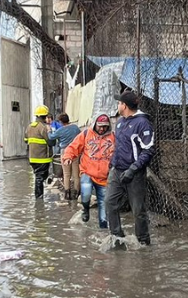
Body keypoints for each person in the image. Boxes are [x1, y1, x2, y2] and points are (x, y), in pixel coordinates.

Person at [106, 91, 155, 246]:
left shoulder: (142, 123)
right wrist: (112, 164)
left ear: (124, 105)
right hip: (117, 170)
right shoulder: (120, 122)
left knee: (138, 210)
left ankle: (143, 242)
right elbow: (119, 146)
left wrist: (133, 169)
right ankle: (117, 237)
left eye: (119, 103)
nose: (118, 105)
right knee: (109, 202)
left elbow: (148, 150)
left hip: (134, 173)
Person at [63, 114, 116, 227]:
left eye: (105, 126)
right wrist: (68, 157)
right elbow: (73, 147)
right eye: (100, 126)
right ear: (95, 124)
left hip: (104, 177)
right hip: (88, 172)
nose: (102, 129)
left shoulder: (113, 137)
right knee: (86, 192)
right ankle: (85, 209)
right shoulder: (86, 134)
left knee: (103, 212)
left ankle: (102, 234)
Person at [50, 113, 84, 201]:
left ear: (61, 122)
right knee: (76, 174)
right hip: (75, 151)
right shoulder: (75, 128)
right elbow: (81, 137)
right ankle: (77, 193)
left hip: (65, 151)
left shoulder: (60, 130)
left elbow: (51, 137)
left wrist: (49, 130)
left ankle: (67, 194)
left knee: (66, 174)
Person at [25, 105, 53, 199]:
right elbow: (50, 142)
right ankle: (39, 199)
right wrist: (50, 132)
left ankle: (39, 198)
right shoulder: (43, 127)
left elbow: (25, 140)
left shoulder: (29, 127)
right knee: (40, 178)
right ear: (44, 116)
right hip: (42, 158)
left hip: (32, 158)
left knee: (39, 177)